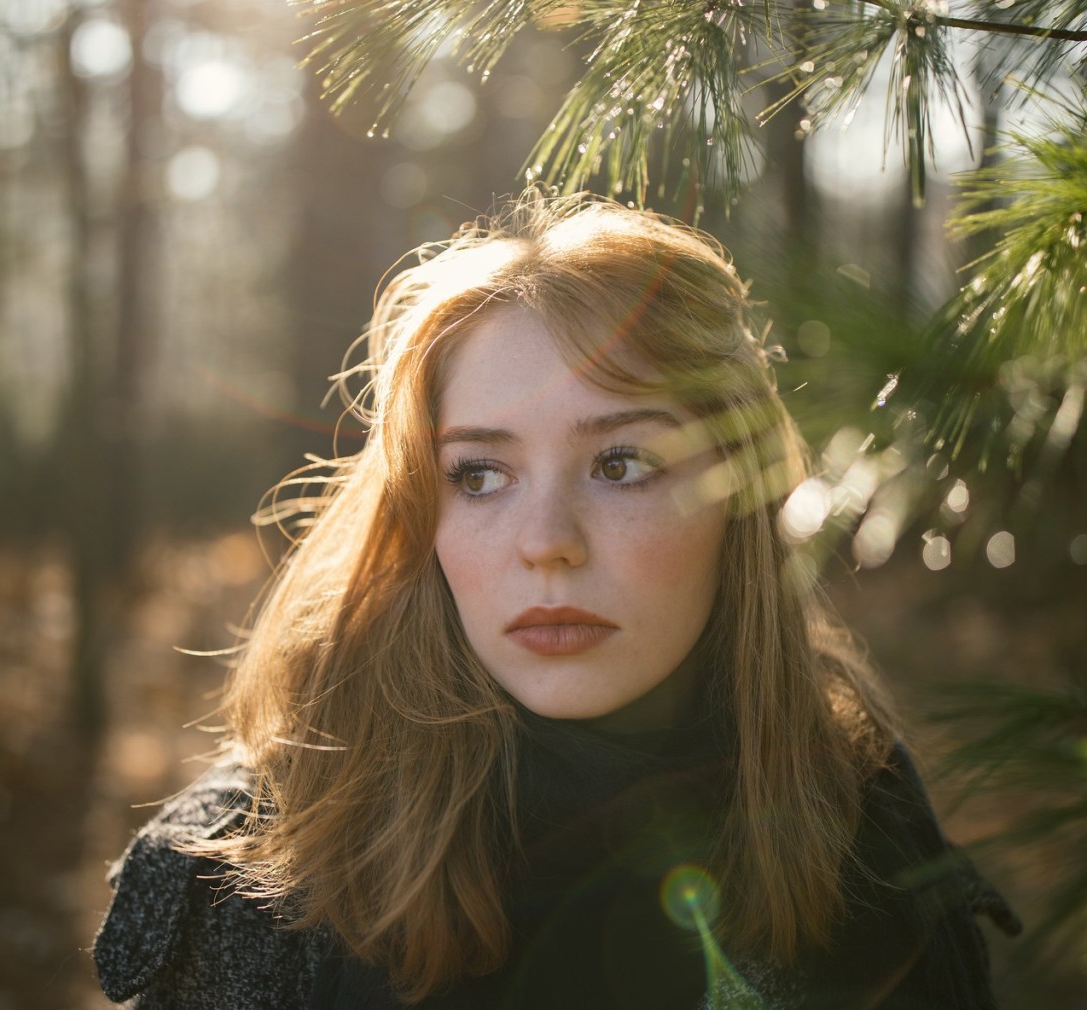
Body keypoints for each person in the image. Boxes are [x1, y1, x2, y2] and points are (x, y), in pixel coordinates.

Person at [93, 191, 1019, 1009]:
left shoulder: (863, 818)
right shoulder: (257, 871)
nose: (547, 543)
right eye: (481, 475)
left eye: (620, 464)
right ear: (422, 510)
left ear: (738, 497)